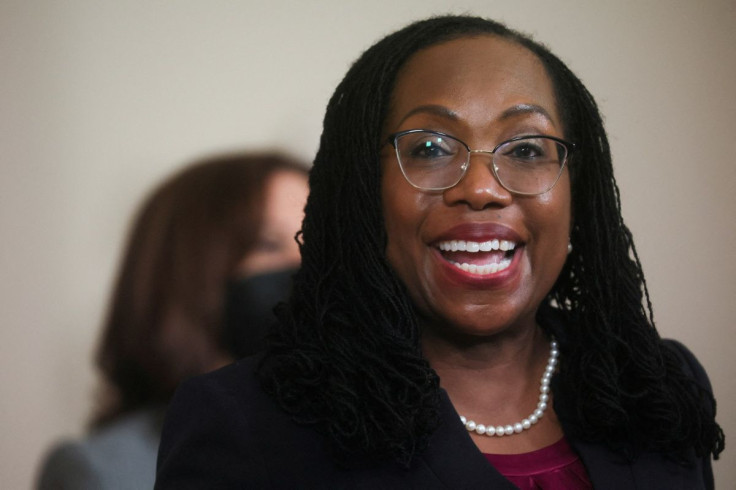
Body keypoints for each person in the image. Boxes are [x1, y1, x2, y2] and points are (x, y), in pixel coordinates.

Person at [154, 16, 724, 490]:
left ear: (580, 189)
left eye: (527, 147)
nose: (481, 187)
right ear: (363, 190)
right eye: (429, 147)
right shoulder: (245, 425)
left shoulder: (657, 385)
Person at [36, 152, 310, 489]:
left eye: (316, 242)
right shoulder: (101, 472)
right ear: (186, 272)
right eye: (268, 244)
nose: (306, 265)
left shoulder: (353, 447)